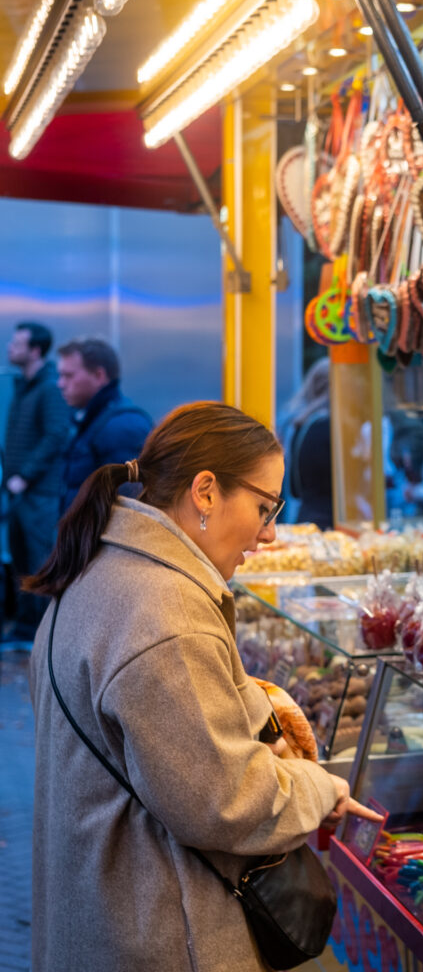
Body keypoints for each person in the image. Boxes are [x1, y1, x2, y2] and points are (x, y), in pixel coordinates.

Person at [26, 401, 378, 972]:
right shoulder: (168, 613)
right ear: (206, 491)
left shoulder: (97, 569)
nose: (268, 534)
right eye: (265, 508)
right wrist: (317, 789)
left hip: (94, 916)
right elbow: (222, 801)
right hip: (155, 931)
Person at [3, 322, 71, 645]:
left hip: (39, 494)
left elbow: (56, 434)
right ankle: (25, 629)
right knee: (20, 560)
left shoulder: (49, 387)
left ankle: (45, 638)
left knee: (38, 562)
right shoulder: (23, 386)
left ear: (35, 351)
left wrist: (24, 475)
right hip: (20, 493)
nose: (9, 348)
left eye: (17, 344)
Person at [56, 336, 153, 512]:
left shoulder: (122, 425)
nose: (60, 384)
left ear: (98, 375)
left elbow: (131, 505)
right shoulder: (89, 419)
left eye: (68, 375)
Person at [282, 357, 334, 528]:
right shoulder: (330, 427)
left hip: (304, 516)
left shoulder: (297, 424)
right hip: (330, 523)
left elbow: (294, 489)